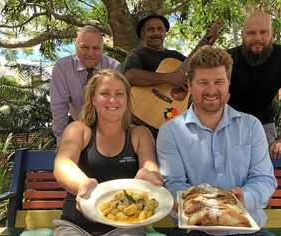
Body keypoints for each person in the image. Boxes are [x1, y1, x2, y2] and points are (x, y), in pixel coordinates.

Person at [157, 46, 277, 236]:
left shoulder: (252, 126)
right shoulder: (170, 132)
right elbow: (174, 184)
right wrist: (208, 209)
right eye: (203, 82)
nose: (211, 90)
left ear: (229, 83)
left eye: (219, 81)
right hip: (195, 230)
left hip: (248, 228)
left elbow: (264, 178)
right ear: (189, 84)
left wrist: (245, 198)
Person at [53, 69, 163, 236]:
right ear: (93, 98)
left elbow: (150, 166)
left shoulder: (140, 134)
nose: (113, 100)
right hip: (75, 225)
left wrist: (150, 176)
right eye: (105, 93)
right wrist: (82, 184)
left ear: (127, 100)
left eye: (119, 94)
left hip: (126, 226)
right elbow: (63, 164)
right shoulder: (78, 129)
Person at [227, 11, 281, 159]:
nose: (257, 38)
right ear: (243, 35)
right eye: (251, 33)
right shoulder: (229, 58)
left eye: (263, 32)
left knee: (262, 174)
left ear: (271, 33)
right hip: (229, 125)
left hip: (264, 126)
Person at [50, 25, 120, 144]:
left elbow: (120, 105)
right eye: (84, 47)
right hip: (76, 124)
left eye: (96, 48)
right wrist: (61, 140)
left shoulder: (114, 67)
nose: (90, 53)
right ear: (76, 48)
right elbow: (59, 107)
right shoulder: (62, 67)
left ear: (102, 49)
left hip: (109, 127)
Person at [124, 13, 187, 137]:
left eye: (160, 29)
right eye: (150, 29)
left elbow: (196, 68)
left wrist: (208, 42)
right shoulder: (137, 53)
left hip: (168, 121)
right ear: (142, 35)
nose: (156, 33)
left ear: (165, 33)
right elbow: (131, 76)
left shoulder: (176, 56)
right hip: (137, 119)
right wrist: (168, 78)